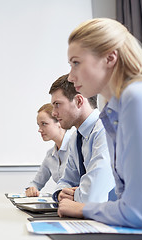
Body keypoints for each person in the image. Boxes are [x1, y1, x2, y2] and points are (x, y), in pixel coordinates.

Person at [58, 18, 142, 229]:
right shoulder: (113, 108)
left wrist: (81, 208)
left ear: (110, 58)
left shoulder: (136, 97)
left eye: (76, 62)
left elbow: (138, 213)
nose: (70, 75)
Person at [50, 74, 115, 203]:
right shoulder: (76, 137)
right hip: (89, 217)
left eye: (57, 104)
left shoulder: (105, 129)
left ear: (79, 101)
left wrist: (73, 196)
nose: (53, 113)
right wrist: (60, 194)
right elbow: (66, 180)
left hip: (113, 217)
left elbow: (92, 195)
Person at [25, 103, 73, 197]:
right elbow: (36, 183)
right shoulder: (50, 154)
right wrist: (31, 189)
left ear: (59, 122)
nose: (39, 130)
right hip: (63, 202)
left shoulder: (76, 146)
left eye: (44, 124)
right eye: (39, 125)